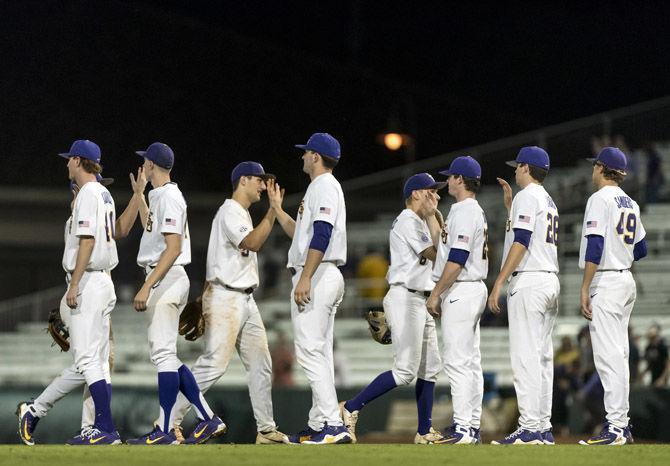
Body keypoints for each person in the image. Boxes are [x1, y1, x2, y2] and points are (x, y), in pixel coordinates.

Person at [16, 169, 147, 445]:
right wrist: (76, 288)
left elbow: (121, 229)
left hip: (94, 289)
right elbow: (95, 244)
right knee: (92, 363)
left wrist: (137, 196)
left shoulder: (93, 207)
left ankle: (38, 410)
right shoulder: (77, 217)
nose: (100, 188)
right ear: (75, 194)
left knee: (89, 366)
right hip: (83, 288)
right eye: (98, 183)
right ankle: (101, 427)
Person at [169, 161, 289, 444]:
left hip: (245, 298)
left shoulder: (243, 213)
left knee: (261, 363)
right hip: (226, 296)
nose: (264, 186)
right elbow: (253, 243)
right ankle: (168, 421)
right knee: (213, 364)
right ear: (243, 180)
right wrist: (273, 211)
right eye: (259, 180)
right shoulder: (229, 211)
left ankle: (266, 430)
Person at [126, 142, 224, 445]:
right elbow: (151, 228)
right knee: (168, 356)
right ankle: (208, 417)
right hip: (166, 276)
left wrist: (147, 285)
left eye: (145, 163)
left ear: (152, 165)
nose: (142, 166)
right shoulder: (159, 196)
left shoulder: (170, 197)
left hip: (166, 276)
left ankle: (166, 430)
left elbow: (173, 248)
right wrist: (139, 196)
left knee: (163, 355)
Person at [339, 172, 446, 444]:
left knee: (430, 368)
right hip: (406, 297)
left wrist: (435, 217)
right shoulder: (408, 220)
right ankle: (351, 407)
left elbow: (440, 250)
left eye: (436, 191)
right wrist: (436, 219)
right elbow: (436, 255)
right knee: (405, 371)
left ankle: (424, 431)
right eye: (430, 191)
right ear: (415, 194)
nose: (436, 195)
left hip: (421, 298)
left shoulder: (421, 220)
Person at [268, 132, 352, 444]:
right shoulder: (319, 188)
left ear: (316, 156)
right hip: (322, 271)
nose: (302, 156)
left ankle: (331, 423)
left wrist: (305, 276)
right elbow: (302, 233)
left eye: (306, 153)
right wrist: (277, 210)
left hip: (318, 273)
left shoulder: (325, 186)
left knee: (310, 350)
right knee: (319, 352)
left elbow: (322, 233)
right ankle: (320, 422)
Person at [488, 146, 559, 445]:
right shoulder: (545, 198)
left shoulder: (527, 196)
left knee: (525, 357)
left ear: (527, 168)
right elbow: (529, 232)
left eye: (517, 166)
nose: (514, 170)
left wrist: (498, 282)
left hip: (529, 282)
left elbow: (523, 240)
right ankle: (542, 426)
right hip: (549, 279)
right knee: (542, 357)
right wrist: (509, 208)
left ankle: (530, 427)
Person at [578, 147, 648, 445]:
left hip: (607, 281)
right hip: (625, 279)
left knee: (609, 358)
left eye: (595, 166)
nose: (592, 170)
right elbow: (641, 250)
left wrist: (585, 286)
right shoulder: (630, 202)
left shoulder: (599, 199)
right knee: (618, 356)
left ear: (601, 168)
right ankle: (622, 425)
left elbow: (595, 243)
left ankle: (617, 426)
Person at [426, 156, 488, 444]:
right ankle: (471, 425)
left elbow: (458, 258)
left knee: (458, 361)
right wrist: (433, 216)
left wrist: (436, 293)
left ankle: (463, 427)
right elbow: (447, 248)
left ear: (460, 180)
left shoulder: (465, 210)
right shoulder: (467, 210)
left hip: (462, 288)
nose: (448, 180)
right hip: (472, 287)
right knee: (470, 361)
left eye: (451, 176)